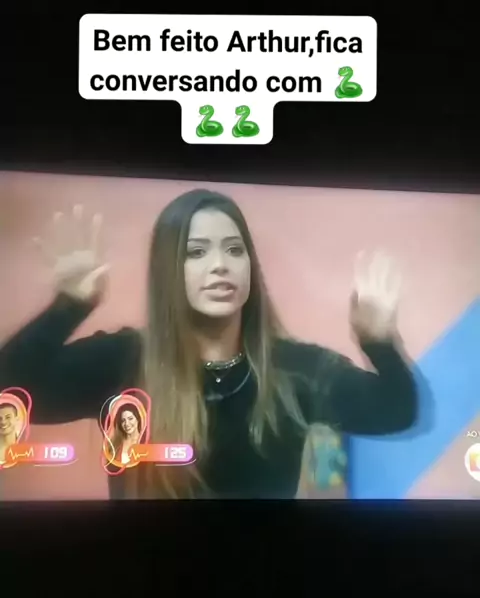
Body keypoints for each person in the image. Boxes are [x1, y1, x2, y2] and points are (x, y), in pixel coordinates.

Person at [0, 189, 419, 499]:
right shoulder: (122, 361)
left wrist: (379, 343)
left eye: (234, 250)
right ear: (168, 271)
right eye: (196, 252)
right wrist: (68, 307)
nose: (220, 265)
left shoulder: (298, 369)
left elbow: (397, 411)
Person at [104, 401, 145, 469]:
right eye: (123, 420)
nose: (127, 424)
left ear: (138, 419)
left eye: (130, 419)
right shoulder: (115, 444)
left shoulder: (146, 442)